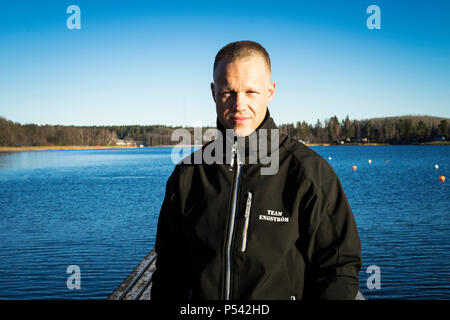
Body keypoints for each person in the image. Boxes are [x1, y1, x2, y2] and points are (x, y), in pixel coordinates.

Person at [151, 40, 362, 300]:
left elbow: (338, 268)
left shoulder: (308, 172)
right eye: (228, 91)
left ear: (270, 91)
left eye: (251, 91)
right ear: (213, 91)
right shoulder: (188, 174)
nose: (239, 104)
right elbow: (170, 270)